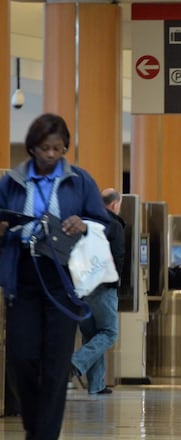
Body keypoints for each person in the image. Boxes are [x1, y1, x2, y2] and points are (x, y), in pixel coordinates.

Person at [0, 113, 109, 440]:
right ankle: (37, 427)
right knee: (21, 357)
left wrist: (84, 224)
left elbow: (104, 224)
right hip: (23, 274)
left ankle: (44, 435)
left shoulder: (80, 180)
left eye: (59, 149)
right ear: (32, 147)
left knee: (55, 362)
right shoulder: (11, 182)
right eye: (46, 148)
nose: (52, 155)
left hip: (64, 277)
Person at [71, 187, 125, 395]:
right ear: (114, 204)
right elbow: (118, 256)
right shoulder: (114, 224)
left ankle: (97, 385)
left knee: (91, 333)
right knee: (110, 332)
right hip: (103, 287)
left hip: (82, 287)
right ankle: (75, 362)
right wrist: (115, 282)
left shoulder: (85, 221)